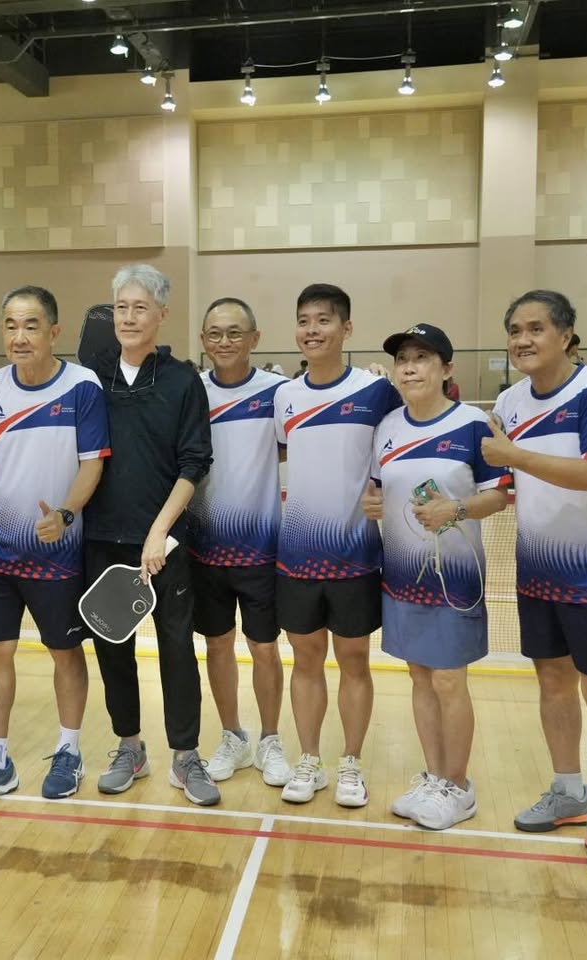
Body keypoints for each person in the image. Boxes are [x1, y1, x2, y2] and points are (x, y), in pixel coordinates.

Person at [482, 289, 587, 879]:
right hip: (538, 571)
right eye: (514, 330)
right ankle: (569, 792)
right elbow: (501, 485)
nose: (523, 340)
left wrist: (514, 456)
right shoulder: (509, 401)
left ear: (567, 336)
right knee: (553, 683)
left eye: (536, 328)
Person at [0, 285, 109, 809]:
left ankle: (68, 751)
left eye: (31, 325)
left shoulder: (82, 386)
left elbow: (92, 464)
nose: (20, 336)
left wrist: (65, 513)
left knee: (65, 652)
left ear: (54, 332)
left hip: (59, 552)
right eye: (11, 325)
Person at [361, 324, 509, 829]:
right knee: (419, 675)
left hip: (454, 577)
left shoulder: (473, 425)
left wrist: (457, 509)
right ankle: (434, 777)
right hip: (402, 574)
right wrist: (372, 503)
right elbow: (378, 490)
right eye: (403, 359)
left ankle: (458, 787)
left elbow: (498, 495)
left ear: (446, 369)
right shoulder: (387, 428)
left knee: (448, 679)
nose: (409, 368)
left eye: (421, 358)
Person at [83, 264, 217, 807]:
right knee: (112, 647)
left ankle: (186, 755)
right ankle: (129, 748)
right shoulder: (91, 376)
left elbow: (194, 463)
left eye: (140, 307)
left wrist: (159, 533)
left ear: (161, 314)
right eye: (121, 307)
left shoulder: (183, 380)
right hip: (102, 538)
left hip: (164, 544)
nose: (129, 317)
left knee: (176, 649)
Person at [273, 283, 401, 806]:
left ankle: (350, 763)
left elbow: (402, 450)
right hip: (296, 557)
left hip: (356, 557)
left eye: (323, 320)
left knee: (353, 660)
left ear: (346, 329)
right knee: (304, 661)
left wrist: (386, 493)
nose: (312, 330)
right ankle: (309, 760)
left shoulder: (377, 392)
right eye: (304, 320)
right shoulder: (285, 396)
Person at [189, 298, 292, 789]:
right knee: (216, 645)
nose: (224, 342)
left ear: (255, 338)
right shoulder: (191, 391)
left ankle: (271, 739)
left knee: (264, 648)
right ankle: (233, 736)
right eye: (214, 333)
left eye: (235, 333)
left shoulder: (278, 392)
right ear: (202, 340)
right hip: (203, 549)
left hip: (261, 547)